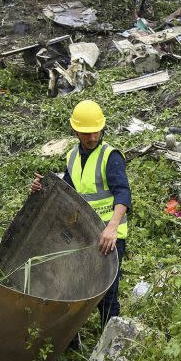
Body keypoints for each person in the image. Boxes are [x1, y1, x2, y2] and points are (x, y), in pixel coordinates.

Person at [30, 100, 130, 329]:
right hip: (83, 234)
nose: (92, 137)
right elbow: (67, 192)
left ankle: (110, 341)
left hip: (109, 236)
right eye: (86, 133)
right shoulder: (72, 157)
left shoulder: (110, 156)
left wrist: (112, 227)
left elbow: (123, 193)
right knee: (76, 286)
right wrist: (42, 188)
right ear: (75, 131)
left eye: (96, 131)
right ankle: (72, 342)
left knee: (108, 293)